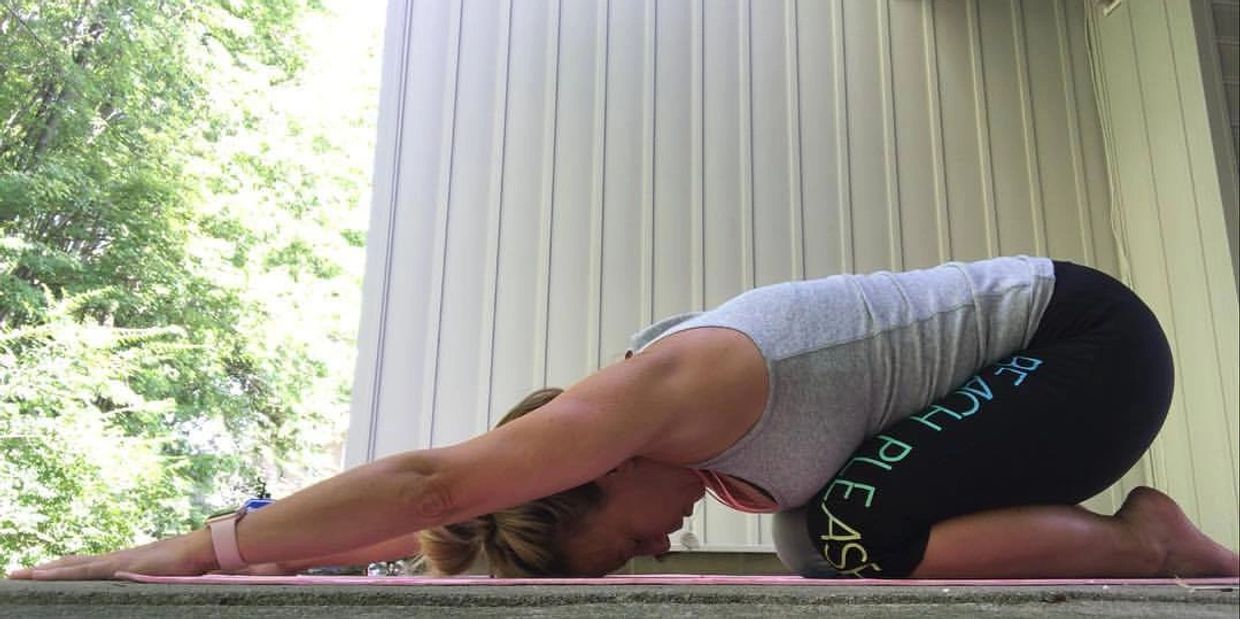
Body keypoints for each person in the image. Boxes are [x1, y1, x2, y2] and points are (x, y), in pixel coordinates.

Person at [7, 256, 1238, 580]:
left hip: (1087, 345)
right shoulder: (631, 450)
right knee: (816, 548)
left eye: (629, 540)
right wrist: (289, 561)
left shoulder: (663, 393)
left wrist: (198, 547)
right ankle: (1136, 539)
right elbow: (433, 530)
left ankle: (1149, 542)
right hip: (1034, 386)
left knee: (847, 530)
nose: (665, 539)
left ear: (584, 473)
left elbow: (437, 486)